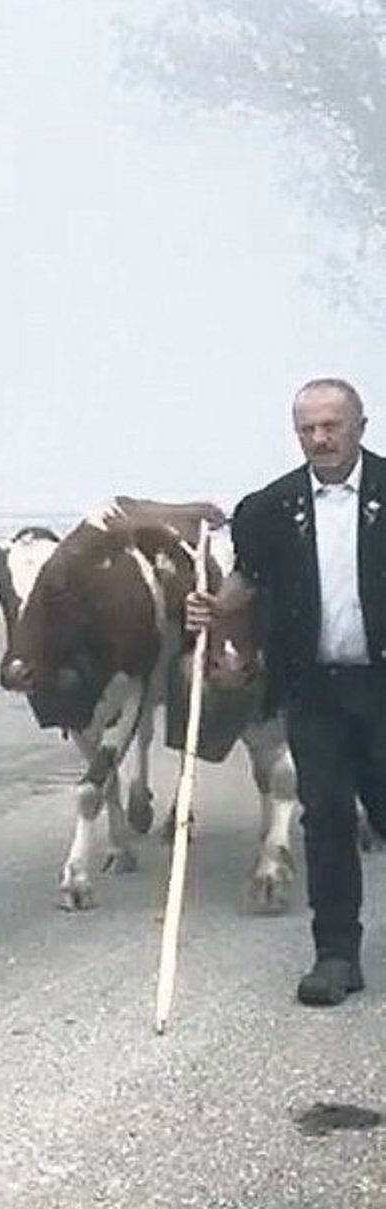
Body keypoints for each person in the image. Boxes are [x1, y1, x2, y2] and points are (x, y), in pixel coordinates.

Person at [187, 377, 386, 1007]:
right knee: (323, 818)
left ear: (361, 424)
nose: (320, 438)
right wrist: (213, 608)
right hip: (314, 690)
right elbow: (249, 578)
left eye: (332, 425)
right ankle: (335, 956)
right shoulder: (268, 508)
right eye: (308, 428)